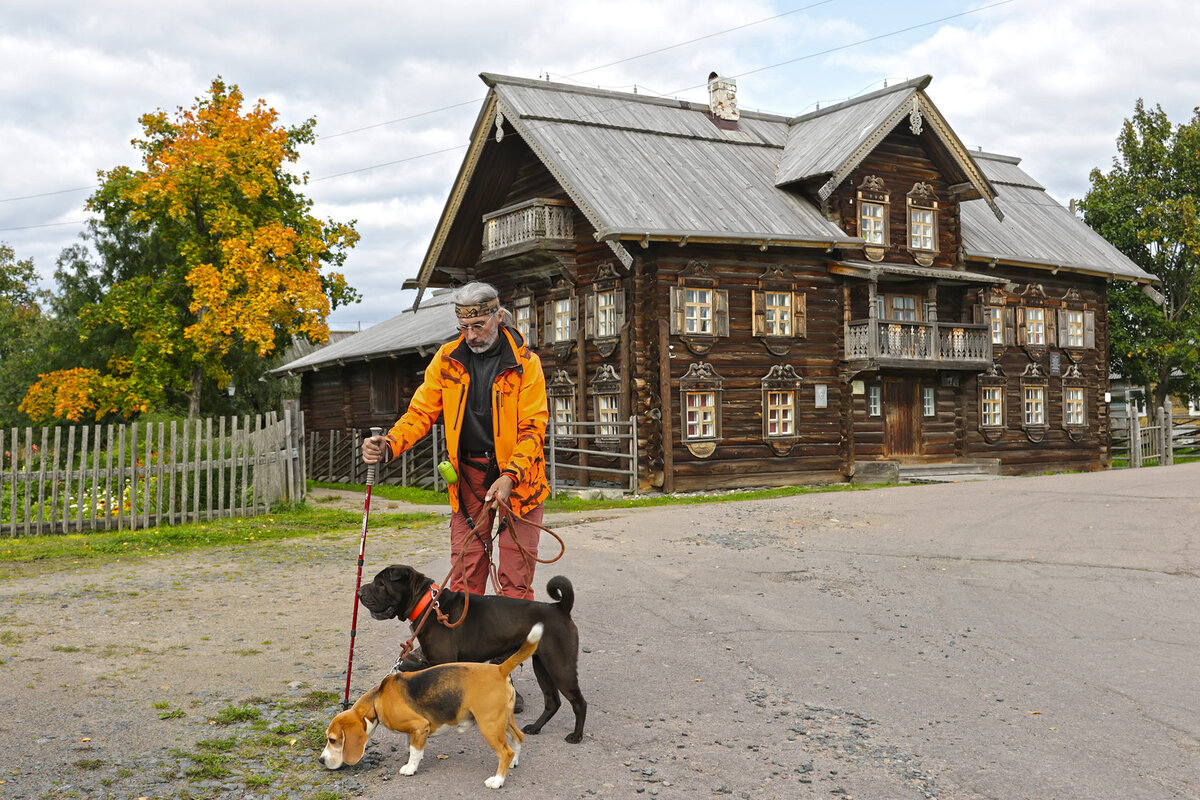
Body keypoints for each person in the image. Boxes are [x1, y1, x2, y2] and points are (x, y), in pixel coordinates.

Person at [362, 281, 550, 601]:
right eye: (464, 327)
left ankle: (509, 650)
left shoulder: (526, 364)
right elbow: (420, 412)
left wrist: (509, 476)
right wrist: (389, 444)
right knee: (465, 574)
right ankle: (467, 647)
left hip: (520, 480)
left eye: (478, 325)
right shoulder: (447, 359)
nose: (471, 335)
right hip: (467, 477)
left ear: (499, 316)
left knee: (515, 579)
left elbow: (533, 429)